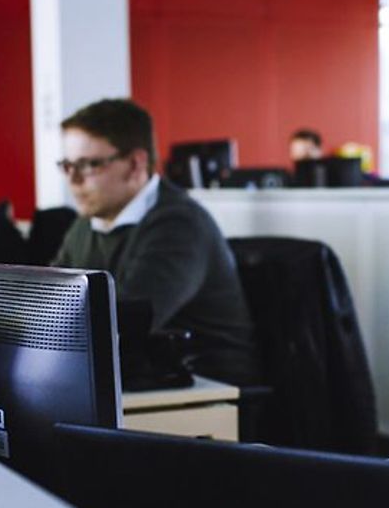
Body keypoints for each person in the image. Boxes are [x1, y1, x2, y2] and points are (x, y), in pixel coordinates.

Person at [53, 98, 261, 387]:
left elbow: (122, 325)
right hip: (139, 377)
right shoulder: (88, 222)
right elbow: (52, 298)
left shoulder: (179, 225)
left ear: (136, 164)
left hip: (208, 391)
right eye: (67, 165)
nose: (73, 180)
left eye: (89, 165)